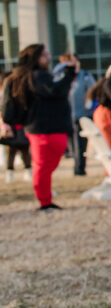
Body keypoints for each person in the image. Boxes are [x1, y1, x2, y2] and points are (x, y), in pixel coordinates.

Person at [6, 45, 77, 210]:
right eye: (44, 54)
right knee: (42, 166)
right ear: (34, 57)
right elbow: (56, 90)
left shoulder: (41, 76)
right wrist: (69, 72)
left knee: (49, 164)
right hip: (40, 129)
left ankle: (45, 196)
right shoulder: (36, 77)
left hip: (53, 127)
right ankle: (45, 202)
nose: (48, 57)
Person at [55, 53, 94, 176]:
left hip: (82, 115)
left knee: (80, 144)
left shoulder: (85, 76)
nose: (73, 64)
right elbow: (54, 75)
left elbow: (93, 91)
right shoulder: (61, 76)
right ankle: (76, 165)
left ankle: (79, 169)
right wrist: (65, 66)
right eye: (69, 62)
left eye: (75, 61)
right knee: (70, 145)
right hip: (65, 116)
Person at [0, 70, 32, 183]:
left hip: (18, 125)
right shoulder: (6, 94)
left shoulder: (17, 93)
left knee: (22, 150)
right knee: (13, 151)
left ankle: (26, 171)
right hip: (12, 125)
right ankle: (11, 173)